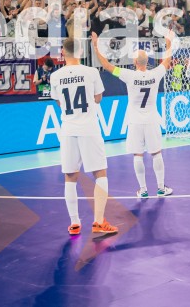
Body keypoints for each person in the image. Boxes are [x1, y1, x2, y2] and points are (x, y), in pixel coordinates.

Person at [93, 31, 175, 198]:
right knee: (156, 153)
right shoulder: (155, 74)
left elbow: (107, 66)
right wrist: (168, 42)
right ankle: (160, 188)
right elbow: (167, 61)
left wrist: (96, 47)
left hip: (135, 121)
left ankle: (143, 190)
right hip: (152, 120)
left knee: (138, 154)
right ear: (147, 62)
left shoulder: (128, 75)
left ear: (135, 62)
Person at [50, 38, 118, 236]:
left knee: (70, 176)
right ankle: (98, 222)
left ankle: (74, 223)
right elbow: (98, 98)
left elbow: (59, 103)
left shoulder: (55, 76)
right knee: (100, 174)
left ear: (63, 52)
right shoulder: (91, 72)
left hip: (68, 129)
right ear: (80, 51)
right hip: (89, 127)